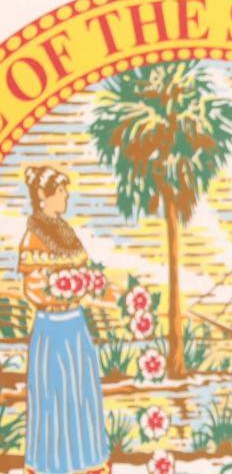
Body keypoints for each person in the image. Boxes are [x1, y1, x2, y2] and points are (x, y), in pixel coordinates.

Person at [19, 166, 110, 474]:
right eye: (61, 191)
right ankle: (52, 465)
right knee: (55, 396)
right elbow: (34, 289)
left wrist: (87, 284)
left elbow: (83, 272)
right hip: (52, 329)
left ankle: (87, 463)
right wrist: (62, 292)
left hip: (76, 327)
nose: (67, 195)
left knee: (81, 394)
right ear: (43, 197)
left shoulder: (67, 231)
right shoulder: (34, 237)